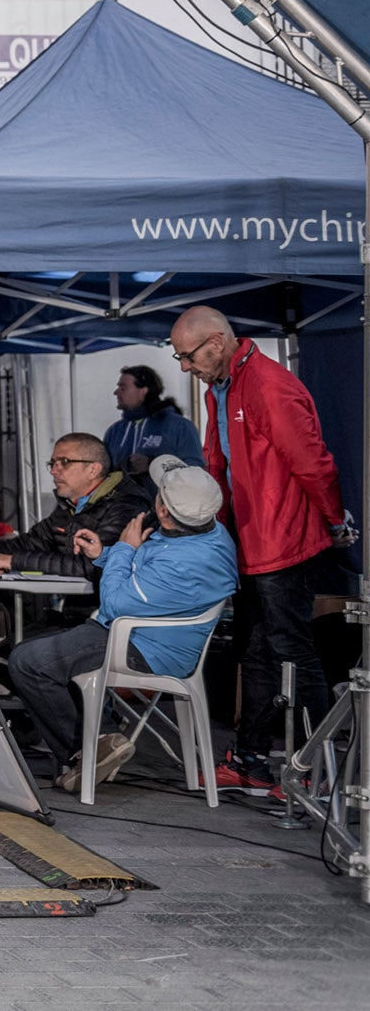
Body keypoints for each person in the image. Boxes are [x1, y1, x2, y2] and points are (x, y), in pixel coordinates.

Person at [171, 305, 356, 795]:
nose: (184, 367)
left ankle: (323, 772)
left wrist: (335, 521)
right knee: (252, 652)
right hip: (250, 538)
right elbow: (219, 460)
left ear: (215, 342)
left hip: (284, 540)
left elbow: (314, 462)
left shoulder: (268, 385)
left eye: (187, 356)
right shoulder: (221, 386)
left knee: (292, 650)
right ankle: (251, 761)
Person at [8, 457, 238, 792]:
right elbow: (142, 583)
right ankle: (102, 735)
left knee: (27, 663)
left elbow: (114, 602)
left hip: (141, 645)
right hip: (151, 632)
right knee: (31, 646)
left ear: (162, 511)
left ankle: (84, 754)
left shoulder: (181, 562)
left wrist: (124, 550)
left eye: (158, 495)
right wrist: (104, 552)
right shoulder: (209, 535)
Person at [0, 434, 151, 579]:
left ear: (93, 469)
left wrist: (13, 561)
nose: (53, 470)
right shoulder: (70, 507)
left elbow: (91, 567)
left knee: (22, 653)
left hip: (104, 617)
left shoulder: (126, 506)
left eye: (65, 462)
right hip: (70, 610)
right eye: (52, 463)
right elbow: (26, 543)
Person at [103, 364, 203, 478]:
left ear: (143, 391)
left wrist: (152, 464)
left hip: (164, 495)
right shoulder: (114, 432)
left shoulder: (179, 426)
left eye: (123, 388)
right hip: (124, 496)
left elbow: (195, 470)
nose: (116, 392)